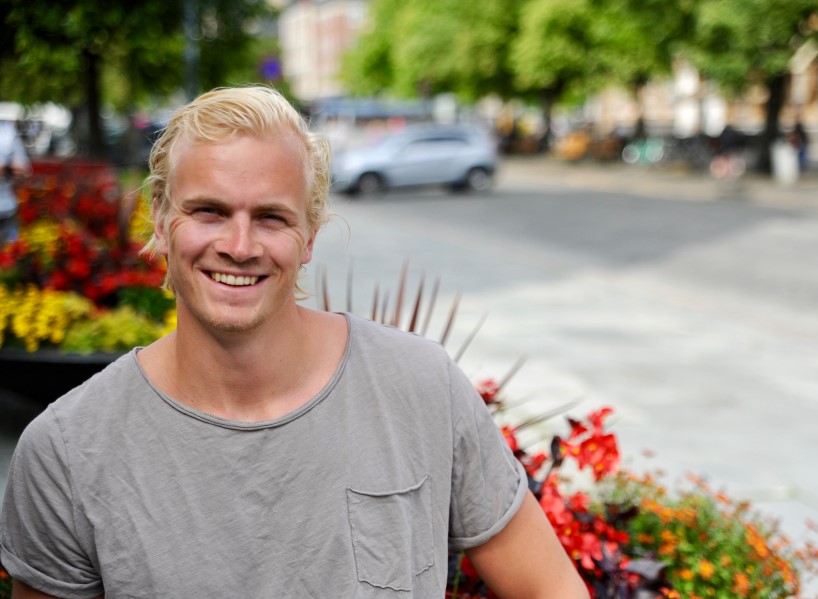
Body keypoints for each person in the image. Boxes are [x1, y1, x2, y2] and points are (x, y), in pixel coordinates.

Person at [0, 86, 587, 598]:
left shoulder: (420, 387)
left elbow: (551, 587)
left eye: (271, 218)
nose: (239, 245)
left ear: (308, 235)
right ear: (159, 219)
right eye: (208, 211)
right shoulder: (67, 452)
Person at [0, 106, 31, 245]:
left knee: (9, 252)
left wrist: (14, 170)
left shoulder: (7, 131)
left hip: (7, 208)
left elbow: (24, 170)